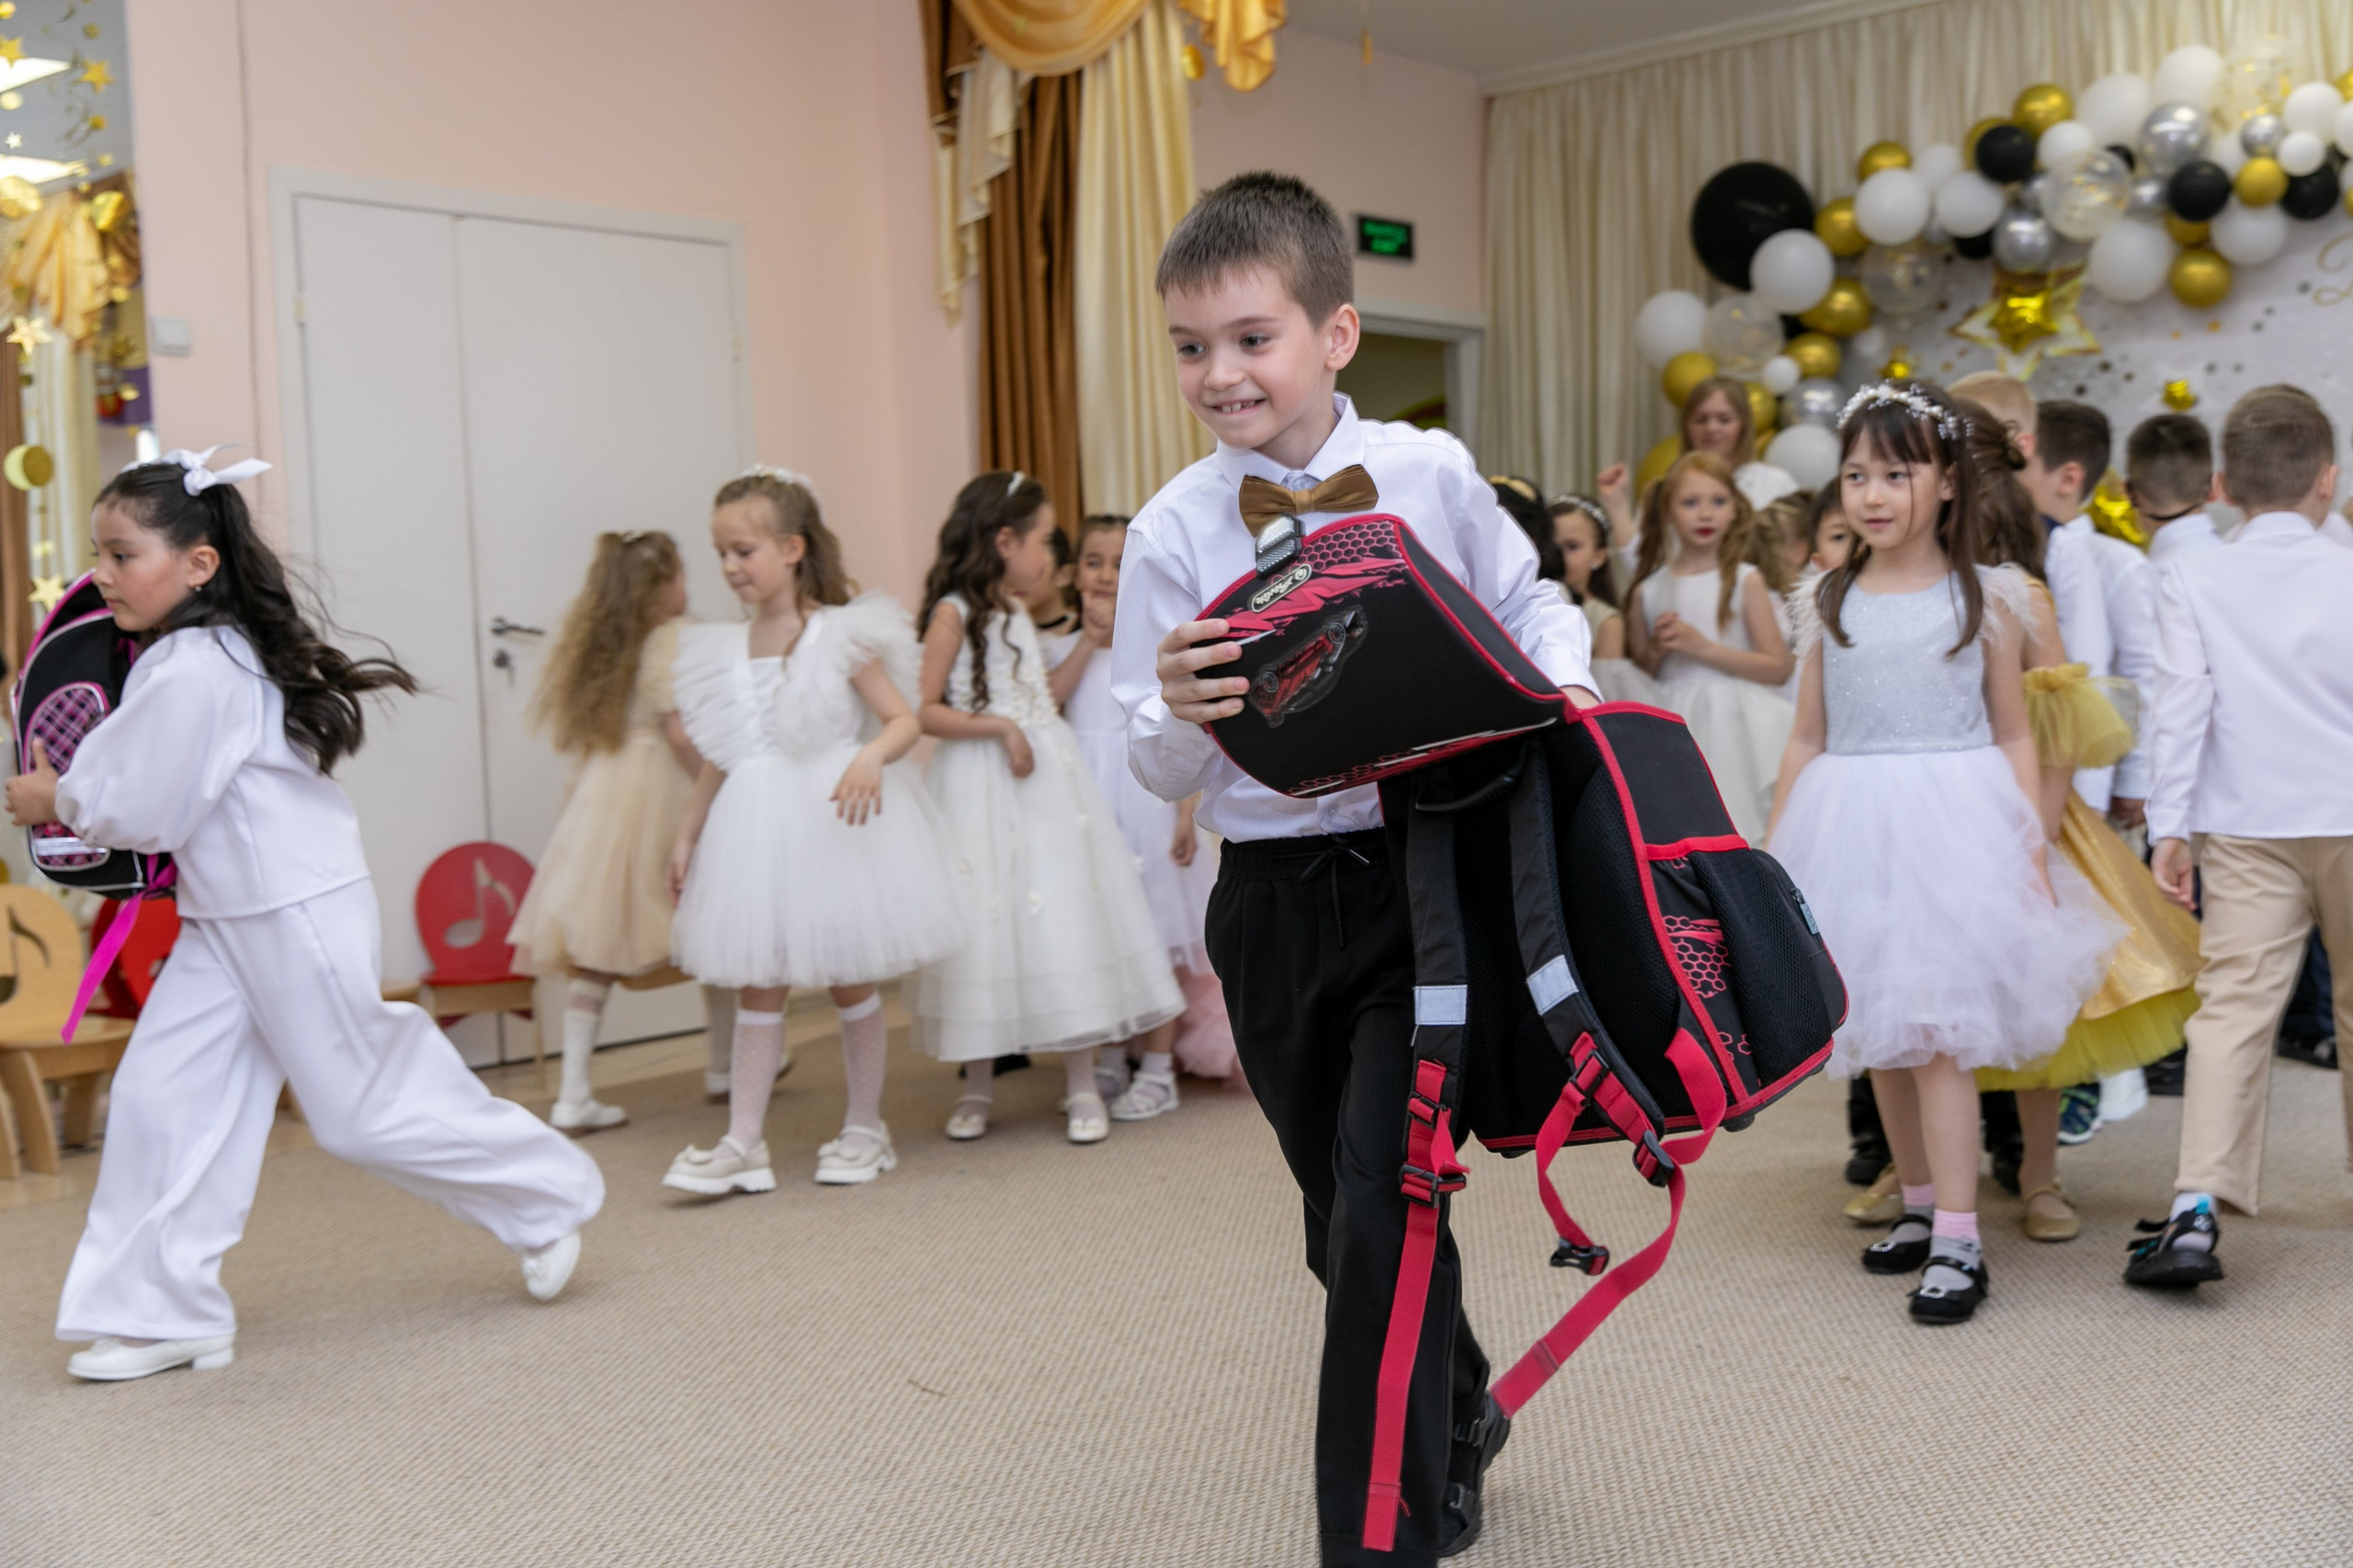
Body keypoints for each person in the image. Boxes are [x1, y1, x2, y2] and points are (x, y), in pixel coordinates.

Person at [1118, 171, 1598, 1564]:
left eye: (1252, 337)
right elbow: (1158, 774)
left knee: (1390, 1198)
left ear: (1336, 333)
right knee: (1338, 1217)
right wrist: (1175, 709)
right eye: (1191, 347)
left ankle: (1376, 1529)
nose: (1220, 374)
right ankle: (1460, 1400)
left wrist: (1563, 697)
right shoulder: (1170, 532)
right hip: (1267, 905)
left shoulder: (1431, 475)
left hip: (1422, 878)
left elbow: (1531, 602)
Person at [6, 450, 603, 1382]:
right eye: (98, 555)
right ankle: (164, 1309)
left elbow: (147, 801)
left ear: (198, 563)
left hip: (292, 911)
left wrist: (58, 797)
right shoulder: (184, 657)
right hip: (224, 916)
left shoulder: (199, 667)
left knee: (359, 1108)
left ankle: (545, 1195)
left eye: (122, 555)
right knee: (164, 1098)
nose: (102, 576)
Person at [1768, 382, 2117, 1325]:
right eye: (1855, 475)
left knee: (1937, 1037)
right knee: (1877, 1029)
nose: (1872, 494)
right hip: (1851, 818)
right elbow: (1807, 733)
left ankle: (1962, 1234)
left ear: (1951, 480)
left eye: (1897, 471)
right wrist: (1777, 841)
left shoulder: (1985, 596)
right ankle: (1919, 1207)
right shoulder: (1827, 595)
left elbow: (2014, 730)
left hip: (1953, 821)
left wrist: (2022, 843)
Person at [663, 469, 964, 1192]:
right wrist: (688, 830)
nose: (732, 567)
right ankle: (743, 1142)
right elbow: (725, 755)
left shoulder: (840, 634)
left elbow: (904, 719)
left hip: (836, 818)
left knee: (847, 973)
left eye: (745, 550)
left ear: (792, 548)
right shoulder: (720, 651)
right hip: (755, 826)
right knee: (758, 983)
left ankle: (866, 1125)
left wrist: (869, 758)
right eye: (722, 554)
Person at [1957, 399, 2201, 1244]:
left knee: (2039, 1010)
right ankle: (1916, 1167)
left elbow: (2059, 720)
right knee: (1931, 999)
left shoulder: (2031, 592)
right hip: (1941, 818)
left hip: (2031, 820)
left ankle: (2038, 1172)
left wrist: (2036, 827)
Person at [2131, 389, 2353, 1289]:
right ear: (2328, 482)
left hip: (2244, 824)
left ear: (2220, 485)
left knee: (2230, 1011)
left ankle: (2193, 1209)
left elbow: (2179, 705)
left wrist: (2167, 824)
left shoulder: (2192, 575)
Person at [915, 472, 1183, 1144]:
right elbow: (925, 710)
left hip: (1048, 783)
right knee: (986, 925)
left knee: (1067, 918)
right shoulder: (953, 612)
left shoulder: (1013, 612)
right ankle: (978, 1085)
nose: (1050, 557)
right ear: (1005, 542)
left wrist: (1089, 643)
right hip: (983, 783)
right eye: (1042, 540)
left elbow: (1047, 696)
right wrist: (1000, 730)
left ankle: (1081, 1082)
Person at [509, 529, 732, 1133]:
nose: (689, 588)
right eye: (681, 576)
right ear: (659, 589)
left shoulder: (606, 646)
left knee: (598, 943)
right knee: (712, 917)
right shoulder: (673, 640)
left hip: (607, 791)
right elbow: (681, 732)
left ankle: (575, 1090)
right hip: (662, 789)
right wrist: (719, 788)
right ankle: (725, 1065)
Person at [1048, 513, 1232, 1115]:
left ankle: (1157, 1067)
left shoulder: (1154, 641)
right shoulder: (1060, 643)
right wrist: (1085, 641)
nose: (1105, 575)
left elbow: (1179, 731)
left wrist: (1186, 811)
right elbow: (1049, 702)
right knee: (1099, 933)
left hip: (1146, 801)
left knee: (1156, 931)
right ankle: (1109, 1055)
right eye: (1093, 562)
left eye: (1118, 563)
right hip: (1085, 805)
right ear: (1074, 572)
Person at [1951, 372, 2115, 789]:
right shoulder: (1941, 537)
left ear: (2020, 445)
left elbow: (2084, 670)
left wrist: (2091, 795)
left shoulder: (2060, 545)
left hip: (2034, 768)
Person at [1623, 450, 1795, 843]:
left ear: (1735, 508)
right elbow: (1640, 673)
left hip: (1736, 725)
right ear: (1667, 511)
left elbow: (1776, 667)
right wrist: (1656, 649)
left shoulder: (1745, 580)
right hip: (1671, 722)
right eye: (1690, 502)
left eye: (1718, 501)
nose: (1705, 514)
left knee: (1738, 821)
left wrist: (1702, 648)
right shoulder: (1646, 592)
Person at [1595, 375, 1799, 574]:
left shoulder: (1776, 483)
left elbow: (1799, 556)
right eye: (1701, 419)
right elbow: (1640, 563)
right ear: (1686, 426)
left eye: (1724, 419)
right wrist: (1615, 501)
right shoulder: (1668, 488)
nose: (1711, 428)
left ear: (1743, 424)